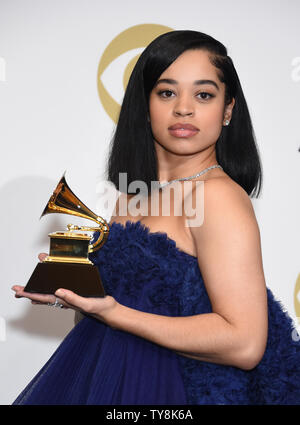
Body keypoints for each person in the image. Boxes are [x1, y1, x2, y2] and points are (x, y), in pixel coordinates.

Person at [12, 30, 300, 405]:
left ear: (228, 110)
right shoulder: (132, 198)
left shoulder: (218, 196)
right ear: (144, 106)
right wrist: (76, 296)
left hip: (177, 391)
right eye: (166, 92)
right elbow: (129, 311)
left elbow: (244, 344)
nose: (184, 108)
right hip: (105, 374)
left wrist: (116, 314)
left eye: (204, 94)